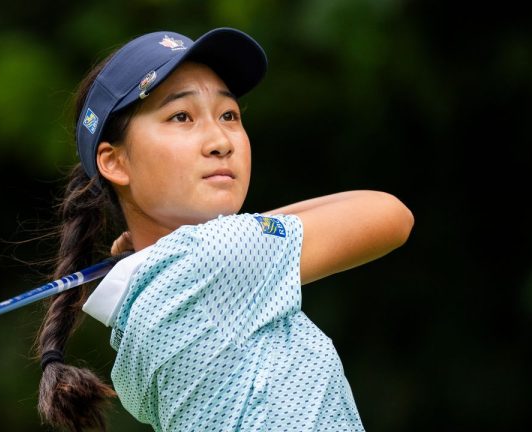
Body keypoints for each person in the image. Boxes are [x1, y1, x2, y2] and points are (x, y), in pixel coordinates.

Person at [33, 27, 414, 432]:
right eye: (181, 116)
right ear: (116, 163)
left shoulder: (134, 315)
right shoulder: (218, 254)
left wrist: (179, 244)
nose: (220, 140)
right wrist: (227, 235)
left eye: (229, 115)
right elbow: (391, 214)